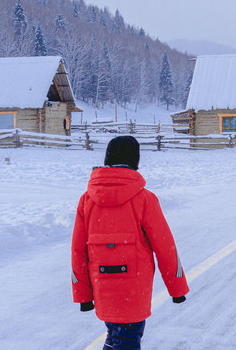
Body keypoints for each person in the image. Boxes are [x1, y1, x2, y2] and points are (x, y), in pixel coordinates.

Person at [72, 135, 189, 349]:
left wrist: (83, 294)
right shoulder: (145, 199)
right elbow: (165, 248)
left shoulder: (87, 200)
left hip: (103, 286)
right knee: (126, 340)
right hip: (134, 290)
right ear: (135, 162)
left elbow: (78, 252)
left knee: (116, 336)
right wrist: (177, 289)